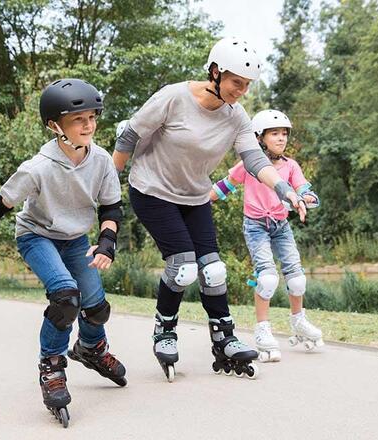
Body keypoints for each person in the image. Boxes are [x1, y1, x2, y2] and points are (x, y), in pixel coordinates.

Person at [112, 37, 307, 382]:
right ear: (215, 72)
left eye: (247, 86)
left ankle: (224, 337)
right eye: (236, 83)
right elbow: (129, 137)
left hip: (195, 196)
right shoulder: (174, 97)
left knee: (214, 270)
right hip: (153, 191)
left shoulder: (236, 117)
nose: (242, 91)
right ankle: (165, 331)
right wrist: (109, 184)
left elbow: (254, 158)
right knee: (183, 267)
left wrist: (283, 188)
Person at [0, 78, 126, 428]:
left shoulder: (101, 160)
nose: (88, 125)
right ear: (54, 125)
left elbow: (112, 209)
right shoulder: (37, 168)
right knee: (65, 299)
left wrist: (107, 242)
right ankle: (52, 366)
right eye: (78, 120)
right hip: (37, 236)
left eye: (92, 117)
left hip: (75, 240)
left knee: (97, 309)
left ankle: (91, 349)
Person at [211, 109, 323, 362]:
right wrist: (195, 202)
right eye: (275, 133)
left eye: (284, 133)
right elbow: (224, 186)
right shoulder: (250, 164)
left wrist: (305, 198)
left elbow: (307, 191)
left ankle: (298, 321)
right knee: (268, 278)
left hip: (281, 227)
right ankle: (262, 329)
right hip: (255, 226)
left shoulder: (291, 166)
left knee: (297, 280)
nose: (281, 138)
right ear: (260, 138)